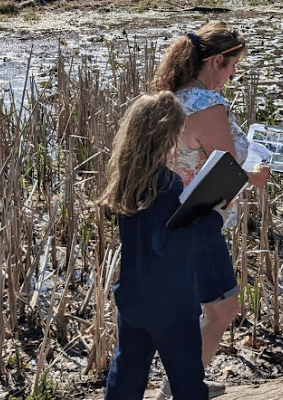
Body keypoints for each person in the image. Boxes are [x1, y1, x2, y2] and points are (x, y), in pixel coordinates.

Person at [150, 21, 270, 399]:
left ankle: (184, 380)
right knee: (223, 309)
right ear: (217, 60)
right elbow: (227, 172)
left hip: (168, 217)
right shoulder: (208, 104)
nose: (233, 75)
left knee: (192, 309)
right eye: (233, 66)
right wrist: (256, 175)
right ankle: (179, 388)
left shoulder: (173, 97)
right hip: (198, 222)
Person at [100, 92, 218, 400]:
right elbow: (167, 245)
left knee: (126, 375)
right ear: (166, 135)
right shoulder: (167, 184)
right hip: (172, 305)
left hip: (132, 298)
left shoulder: (128, 180)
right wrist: (210, 217)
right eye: (178, 131)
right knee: (188, 382)